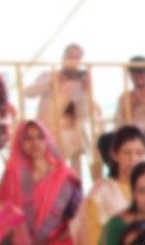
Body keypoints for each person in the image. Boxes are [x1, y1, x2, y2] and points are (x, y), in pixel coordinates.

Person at [0, 121, 82, 245]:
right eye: (28, 138)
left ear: (48, 140)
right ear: (20, 143)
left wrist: (45, 243)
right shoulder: (12, 177)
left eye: (39, 137)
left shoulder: (66, 178)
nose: (34, 143)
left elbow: (76, 219)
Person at [73, 125, 145, 245]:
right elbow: (93, 241)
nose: (133, 159)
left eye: (139, 153)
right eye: (127, 153)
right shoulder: (101, 192)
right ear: (114, 154)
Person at [23, 44, 96, 174]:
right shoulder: (49, 75)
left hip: (71, 131)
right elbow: (28, 93)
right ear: (63, 57)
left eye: (77, 57)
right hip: (47, 130)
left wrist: (86, 92)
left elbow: (83, 114)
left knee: (80, 148)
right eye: (70, 56)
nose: (73, 60)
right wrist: (51, 83)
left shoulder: (81, 82)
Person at [112, 56, 145, 163]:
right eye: (135, 73)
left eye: (142, 73)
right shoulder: (125, 97)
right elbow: (118, 121)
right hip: (130, 132)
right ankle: (116, 176)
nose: (139, 76)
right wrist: (131, 106)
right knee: (106, 140)